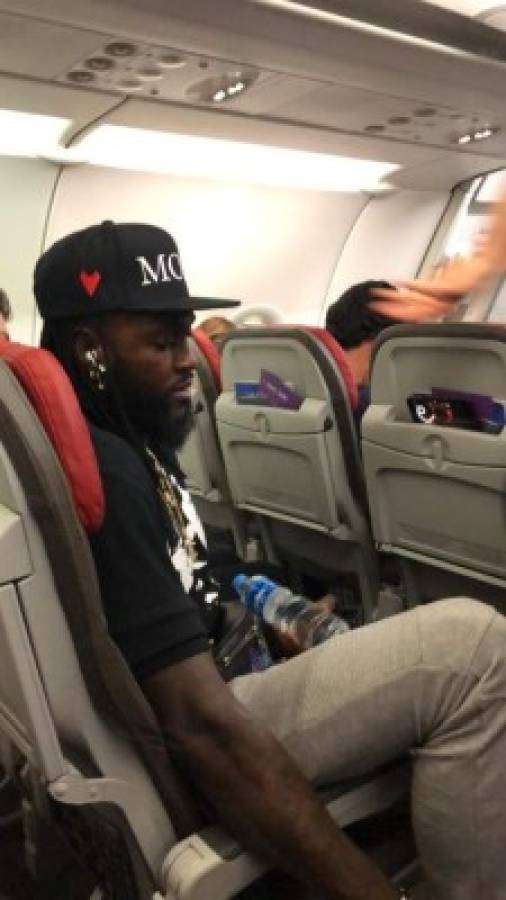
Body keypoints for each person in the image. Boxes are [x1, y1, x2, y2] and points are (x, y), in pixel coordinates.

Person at [35, 220, 506, 900]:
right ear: (90, 348)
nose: (187, 361)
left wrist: (274, 609)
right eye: (161, 343)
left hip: (232, 664)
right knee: (477, 647)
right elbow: (201, 727)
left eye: (184, 337)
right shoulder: (110, 472)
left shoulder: (124, 436)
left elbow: (193, 578)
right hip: (223, 709)